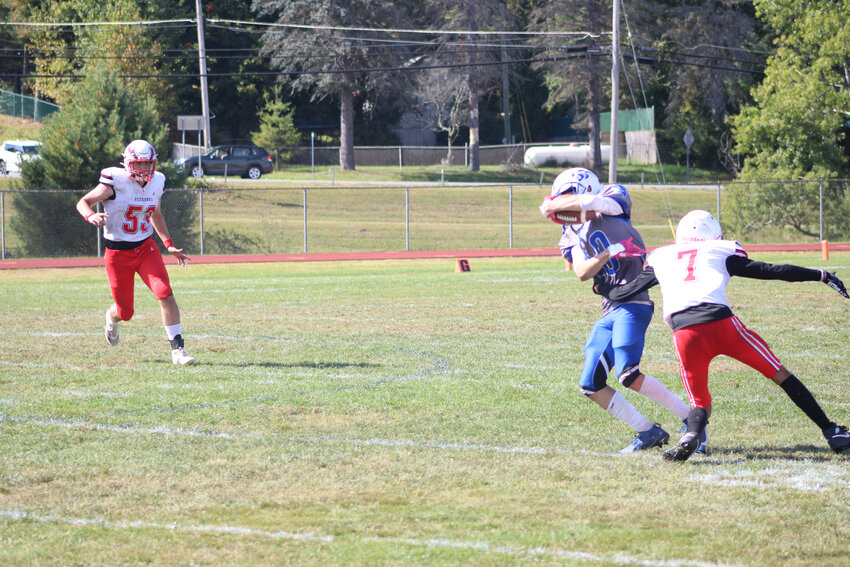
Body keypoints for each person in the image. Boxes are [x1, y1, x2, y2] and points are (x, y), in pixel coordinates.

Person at [596, 209, 850, 461]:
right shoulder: (720, 250)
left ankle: (692, 436)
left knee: (698, 403)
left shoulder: (662, 256)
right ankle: (831, 431)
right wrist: (821, 275)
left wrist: (602, 287)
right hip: (721, 324)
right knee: (780, 375)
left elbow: (622, 294)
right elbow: (770, 270)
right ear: (714, 236)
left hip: (684, 333)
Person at [540, 167, 704, 453]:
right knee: (590, 384)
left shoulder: (612, 200)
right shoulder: (573, 233)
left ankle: (692, 421)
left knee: (628, 374)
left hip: (635, 302)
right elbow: (581, 272)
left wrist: (553, 205)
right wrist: (607, 253)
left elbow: (591, 204)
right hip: (609, 310)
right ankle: (648, 431)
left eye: (567, 198)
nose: (563, 209)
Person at [75, 139, 195, 366]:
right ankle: (111, 317)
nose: (142, 169)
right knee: (125, 312)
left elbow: (156, 214)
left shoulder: (157, 181)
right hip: (117, 253)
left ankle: (178, 350)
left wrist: (168, 244)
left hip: (145, 248)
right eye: (138, 164)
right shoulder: (114, 180)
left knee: (165, 292)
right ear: (127, 163)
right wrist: (91, 216)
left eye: (147, 163)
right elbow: (84, 202)